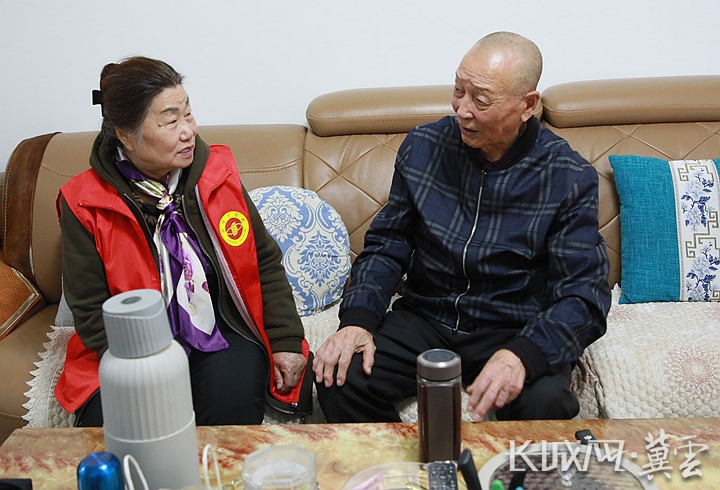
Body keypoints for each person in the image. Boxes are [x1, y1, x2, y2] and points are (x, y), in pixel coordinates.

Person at [313, 32, 611, 422]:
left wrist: (524, 354)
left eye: (481, 100)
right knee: (341, 376)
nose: (462, 110)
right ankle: (408, 461)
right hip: (426, 317)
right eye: (458, 90)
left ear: (527, 105)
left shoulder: (567, 176)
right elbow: (388, 245)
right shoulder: (424, 146)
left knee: (545, 403)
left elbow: (584, 294)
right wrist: (358, 320)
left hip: (513, 326)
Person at [55, 56, 309, 426]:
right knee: (125, 426)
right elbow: (91, 310)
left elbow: (263, 261)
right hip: (132, 348)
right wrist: (155, 369)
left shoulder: (216, 176)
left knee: (231, 411)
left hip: (221, 329)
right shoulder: (84, 202)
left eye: (188, 114)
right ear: (124, 134)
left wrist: (286, 340)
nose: (188, 130)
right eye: (170, 121)